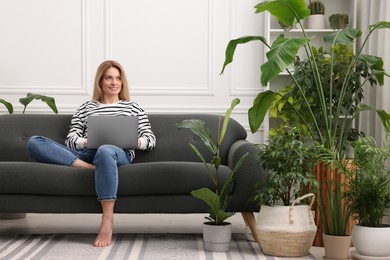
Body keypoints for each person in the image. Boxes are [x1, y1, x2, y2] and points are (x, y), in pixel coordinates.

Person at [26, 60, 156, 247]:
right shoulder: (87, 107)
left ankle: (107, 220)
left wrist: (134, 141)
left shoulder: (132, 107)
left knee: (105, 150)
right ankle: (91, 167)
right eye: (109, 78)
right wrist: (88, 141)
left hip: (118, 153)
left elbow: (150, 139)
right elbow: (71, 138)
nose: (114, 82)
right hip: (89, 153)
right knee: (34, 142)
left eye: (118, 78)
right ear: (100, 82)